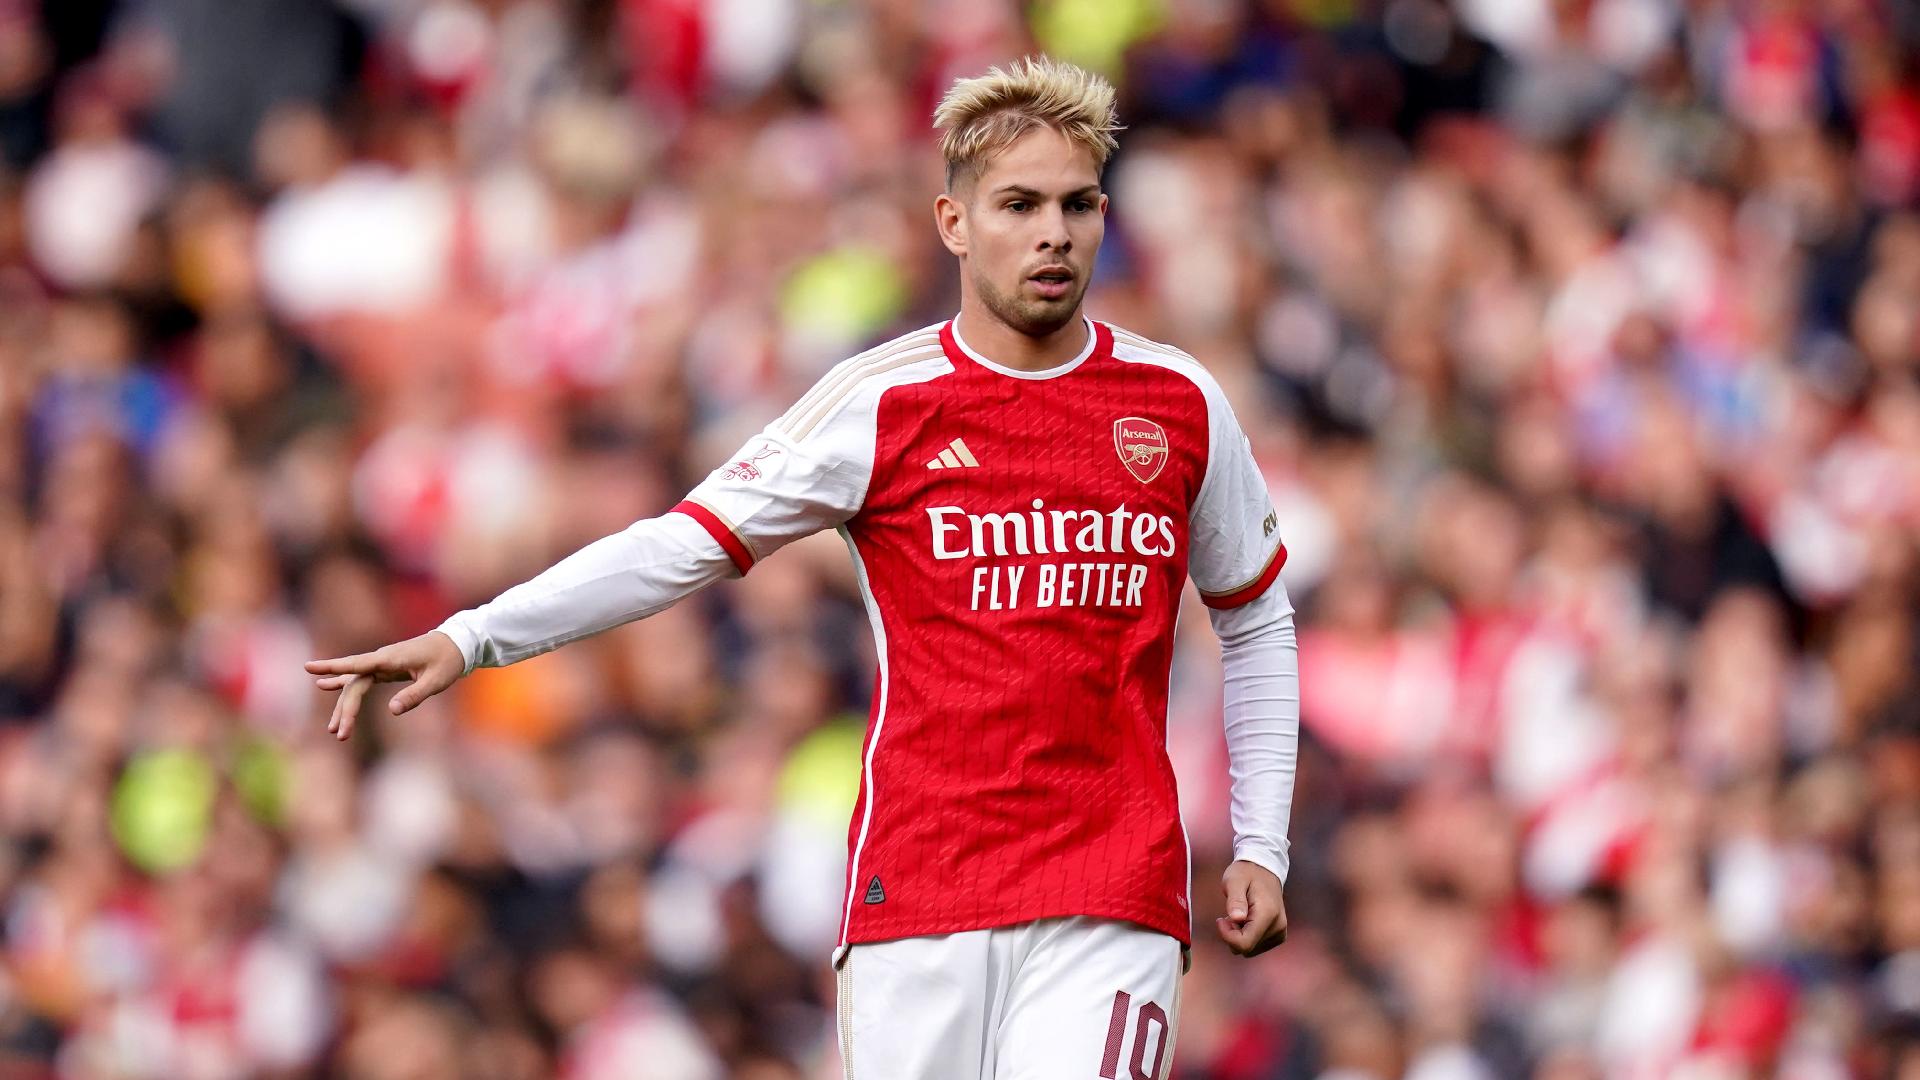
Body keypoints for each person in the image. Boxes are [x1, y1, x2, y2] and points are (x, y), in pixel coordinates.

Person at [307, 55, 1299, 1080]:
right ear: (954, 223)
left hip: (1112, 890)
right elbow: (679, 545)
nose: (1053, 231)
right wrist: (473, 636)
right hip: (922, 889)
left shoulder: (1179, 403)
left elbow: (1256, 615)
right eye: (1018, 204)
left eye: (1077, 204)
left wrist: (1263, 844)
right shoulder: (882, 403)